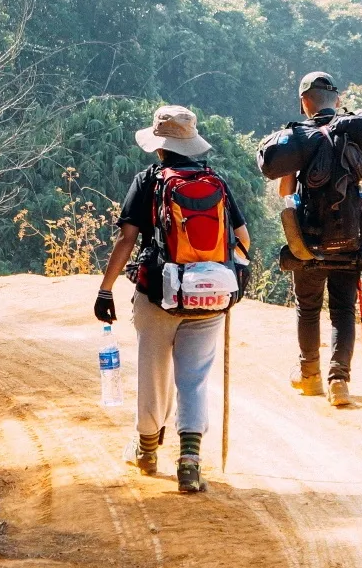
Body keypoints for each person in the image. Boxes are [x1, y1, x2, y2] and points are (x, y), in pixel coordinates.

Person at [95, 105, 250, 493]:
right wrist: (226, 277)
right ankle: (190, 463)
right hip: (210, 297)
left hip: (157, 293)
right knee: (194, 380)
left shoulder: (148, 179)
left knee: (153, 371)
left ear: (158, 146)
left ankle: (147, 450)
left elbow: (126, 240)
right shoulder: (216, 181)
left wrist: (105, 288)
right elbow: (244, 241)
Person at [278, 72, 362, 407]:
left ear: (304, 102)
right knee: (343, 308)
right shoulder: (359, 133)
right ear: (338, 100)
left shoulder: (298, 138)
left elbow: (285, 191)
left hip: (308, 241)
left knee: (308, 306)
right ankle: (339, 379)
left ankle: (309, 375)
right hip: (349, 237)